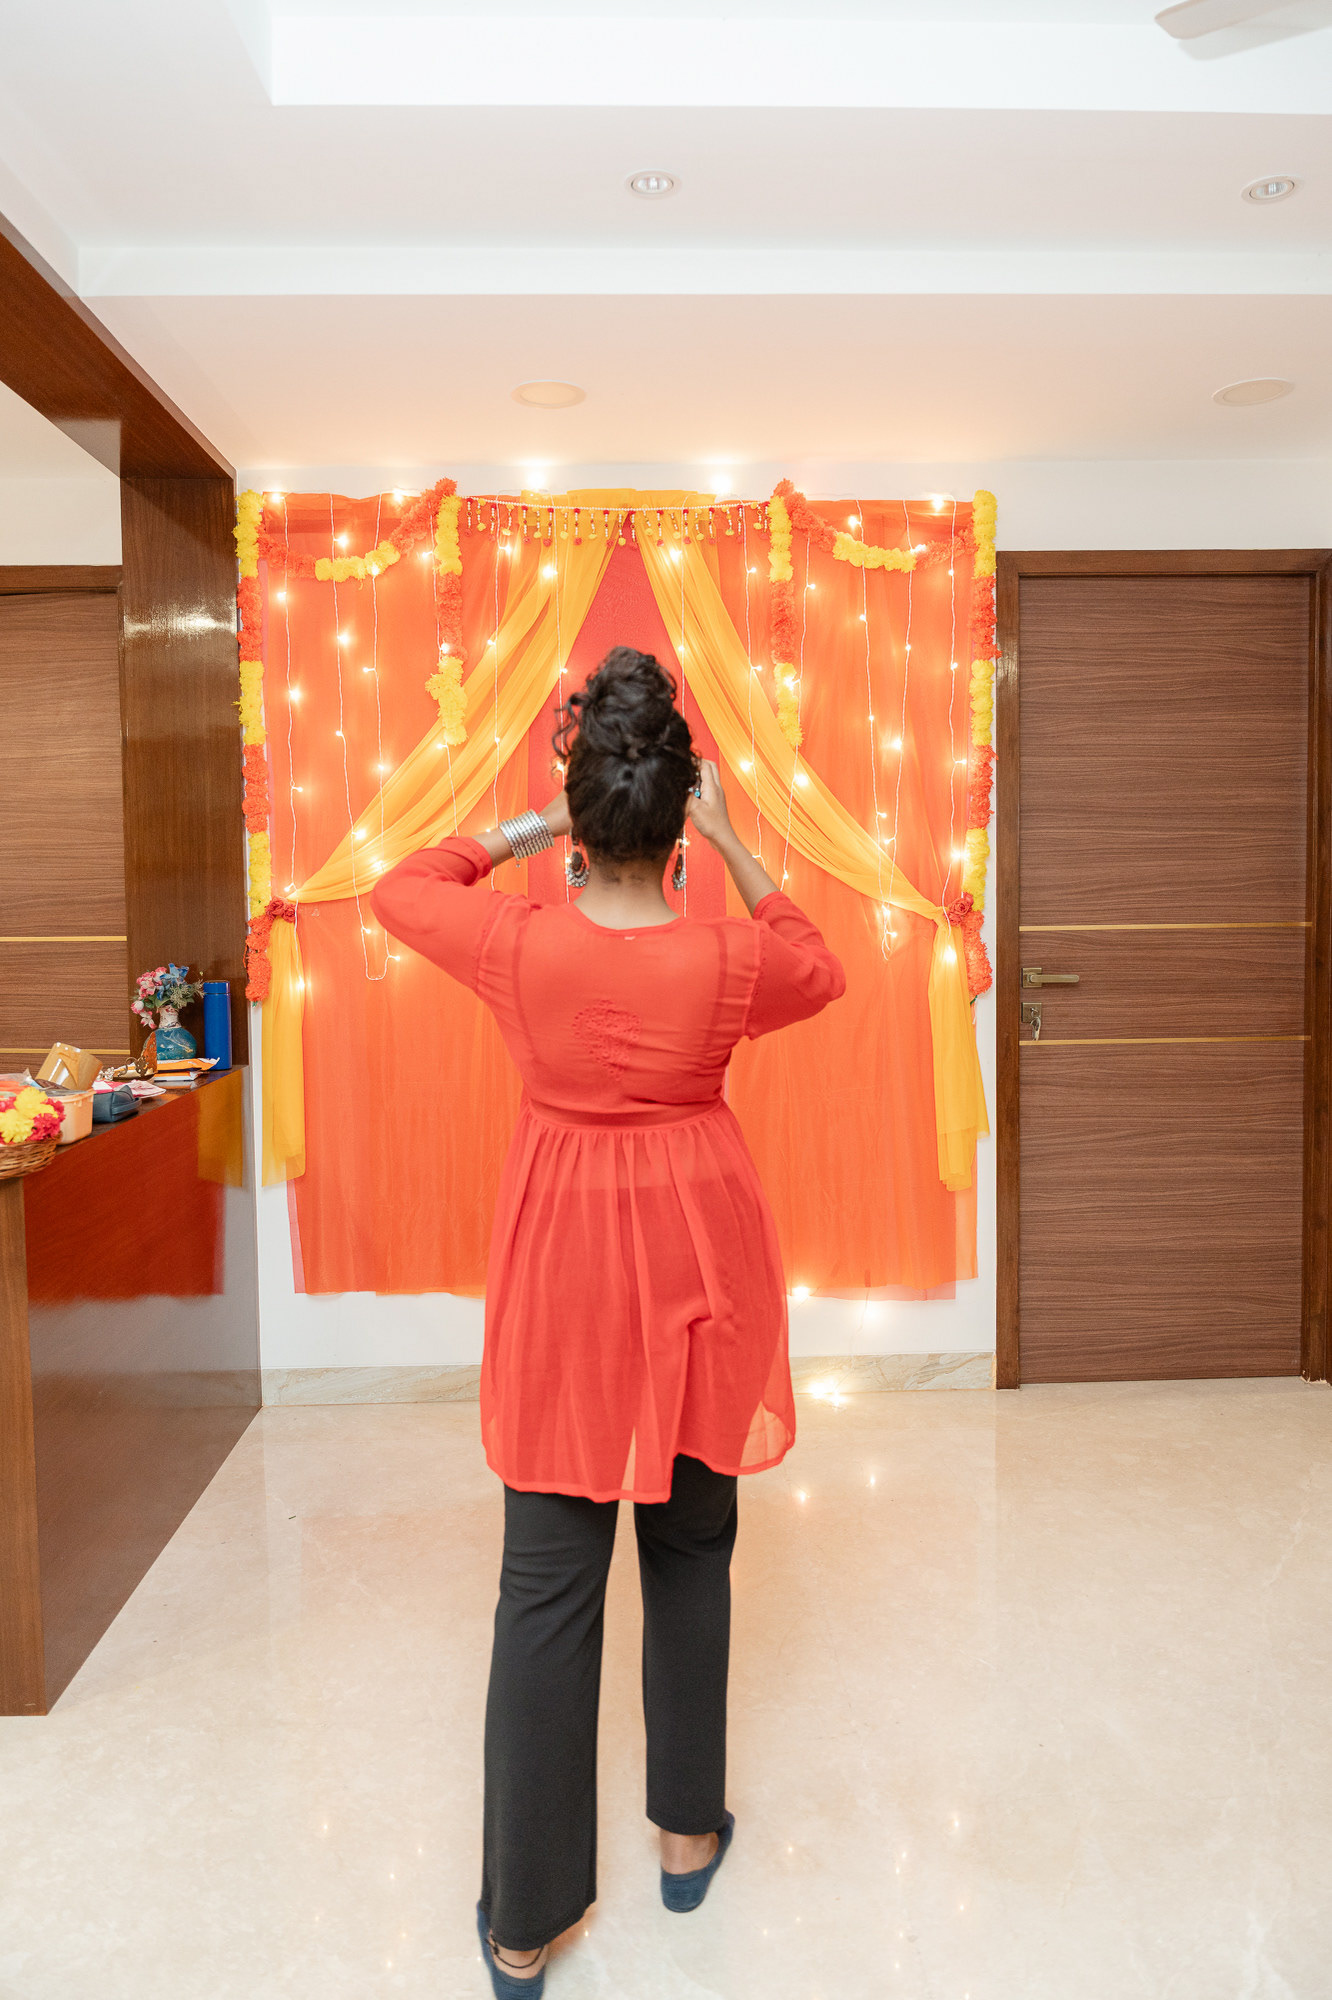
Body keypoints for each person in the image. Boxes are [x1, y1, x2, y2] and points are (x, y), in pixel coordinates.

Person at [372, 647, 845, 1996]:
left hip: (567, 1267)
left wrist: (531, 826)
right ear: (675, 809)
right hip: (703, 1256)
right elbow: (819, 964)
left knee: (546, 1584)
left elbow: (403, 886)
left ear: (584, 810)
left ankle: (525, 1923)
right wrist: (734, 843)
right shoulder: (729, 957)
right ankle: (687, 1836)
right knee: (692, 1551)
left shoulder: (518, 944)